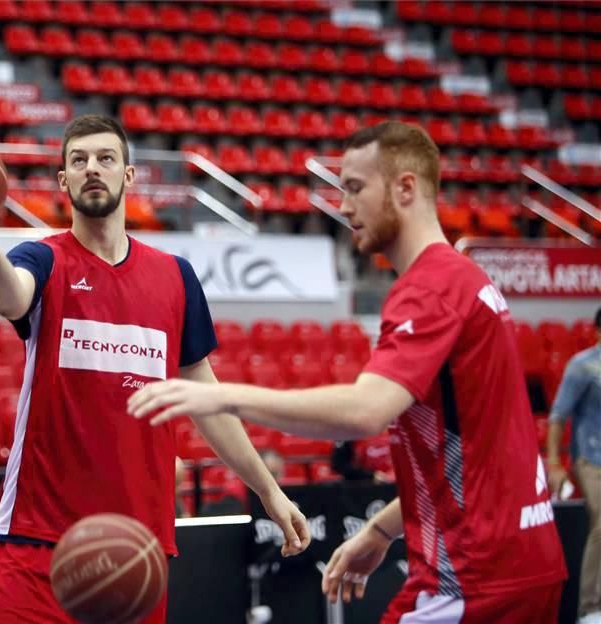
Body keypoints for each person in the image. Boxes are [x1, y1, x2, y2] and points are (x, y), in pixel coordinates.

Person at [129, 121, 568, 623]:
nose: (342, 206)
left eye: (355, 188)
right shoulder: (469, 280)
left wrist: (222, 396)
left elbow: (364, 412)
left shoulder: (428, 289)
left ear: (405, 187)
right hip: (525, 561)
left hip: (474, 578)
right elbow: (472, 463)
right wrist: (382, 528)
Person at [0, 115, 309, 624]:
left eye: (106, 158)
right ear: (63, 181)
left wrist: (267, 490)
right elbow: (9, 296)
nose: (92, 169)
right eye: (78, 161)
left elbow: (210, 404)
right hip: (37, 542)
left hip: (135, 552)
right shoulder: (42, 259)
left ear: (129, 175)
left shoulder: (175, 277)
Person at [547, 307, 601, 624]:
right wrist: (554, 462)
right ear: (597, 331)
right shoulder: (582, 366)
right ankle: (591, 608)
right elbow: (557, 417)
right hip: (590, 459)